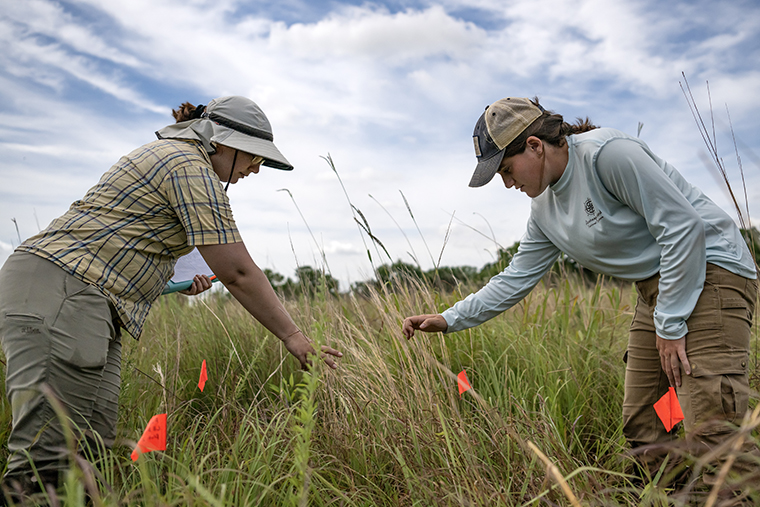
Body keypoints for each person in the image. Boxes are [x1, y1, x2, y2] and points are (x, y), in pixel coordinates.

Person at [0, 96, 342, 500]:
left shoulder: (181, 161)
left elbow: (127, 252)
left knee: (89, 450)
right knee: (48, 458)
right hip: (61, 295)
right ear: (221, 142)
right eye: (253, 156)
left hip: (83, 300)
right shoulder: (187, 165)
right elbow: (239, 272)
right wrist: (293, 336)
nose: (256, 168)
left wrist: (176, 282)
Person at [402, 97, 758, 484]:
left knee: (711, 426)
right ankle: (673, 493)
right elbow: (516, 276)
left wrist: (670, 325)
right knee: (645, 421)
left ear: (535, 146)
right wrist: (449, 318)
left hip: (710, 270)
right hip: (657, 289)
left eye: (507, 169)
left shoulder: (608, 155)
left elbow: (683, 228)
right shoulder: (544, 210)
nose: (507, 183)